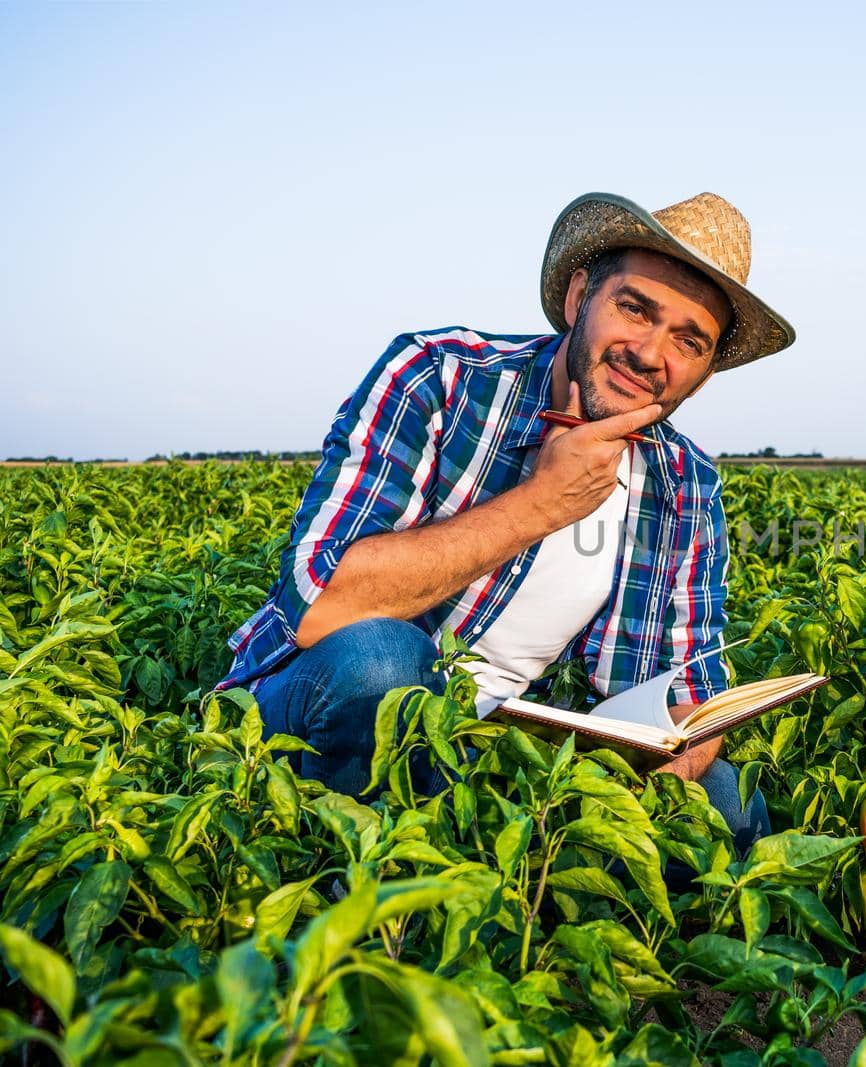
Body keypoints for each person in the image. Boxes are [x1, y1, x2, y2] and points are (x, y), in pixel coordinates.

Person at [216, 191, 796, 851]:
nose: (649, 352)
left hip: (492, 748)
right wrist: (541, 504)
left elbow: (686, 696)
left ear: (701, 374)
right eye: (634, 308)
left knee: (726, 803)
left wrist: (662, 775)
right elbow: (319, 606)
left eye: (689, 341)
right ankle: (335, 865)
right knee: (386, 664)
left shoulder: (684, 483)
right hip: (322, 704)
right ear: (580, 297)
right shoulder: (438, 378)